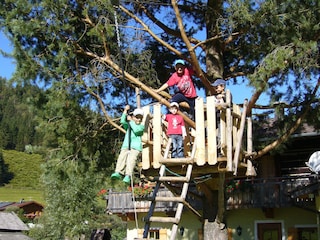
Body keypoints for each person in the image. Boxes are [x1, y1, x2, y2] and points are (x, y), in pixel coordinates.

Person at [111, 105, 145, 184]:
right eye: (137, 117)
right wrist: (125, 111)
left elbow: (136, 130)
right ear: (133, 117)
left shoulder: (141, 127)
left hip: (135, 147)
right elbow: (122, 121)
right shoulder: (129, 125)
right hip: (126, 145)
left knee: (131, 161)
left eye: (140, 118)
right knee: (121, 158)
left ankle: (128, 175)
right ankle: (118, 172)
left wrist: (131, 121)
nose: (138, 119)